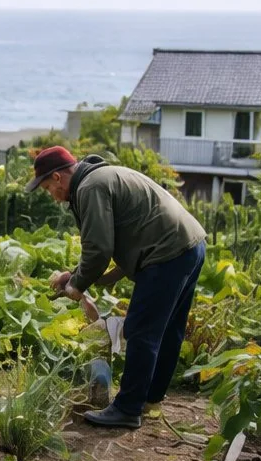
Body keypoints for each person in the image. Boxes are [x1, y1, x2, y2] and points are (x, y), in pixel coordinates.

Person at [26, 145, 206, 429]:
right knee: (169, 328)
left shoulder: (89, 189)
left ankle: (127, 409)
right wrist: (72, 277)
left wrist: (77, 287)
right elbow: (108, 247)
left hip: (167, 253)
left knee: (141, 330)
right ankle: (149, 398)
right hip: (190, 244)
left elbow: (98, 249)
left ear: (58, 178)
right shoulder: (102, 176)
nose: (54, 197)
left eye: (49, 188)